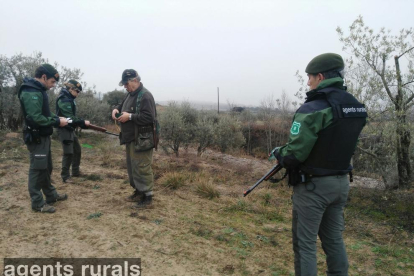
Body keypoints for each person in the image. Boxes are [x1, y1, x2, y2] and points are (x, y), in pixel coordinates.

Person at [270, 53, 367, 275]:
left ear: (320, 76)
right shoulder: (356, 108)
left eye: (310, 77)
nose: (308, 82)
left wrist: (279, 154)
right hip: (341, 184)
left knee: (305, 245)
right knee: (334, 241)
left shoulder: (313, 109)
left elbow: (294, 155)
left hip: (313, 187)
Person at [18, 64, 70, 213]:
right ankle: (37, 203)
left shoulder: (39, 90)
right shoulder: (30, 91)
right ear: (44, 77)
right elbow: (35, 118)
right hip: (36, 137)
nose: (53, 86)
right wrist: (56, 122)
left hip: (43, 135)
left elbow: (44, 113)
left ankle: (51, 194)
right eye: (52, 82)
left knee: (46, 167)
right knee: (37, 169)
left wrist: (56, 117)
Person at [111, 69, 158, 208]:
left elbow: (149, 117)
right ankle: (138, 191)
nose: (125, 86)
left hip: (142, 139)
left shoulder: (145, 96)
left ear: (135, 81)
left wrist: (129, 116)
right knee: (133, 167)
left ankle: (148, 197)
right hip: (131, 138)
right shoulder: (131, 94)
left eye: (126, 83)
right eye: (124, 84)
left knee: (142, 166)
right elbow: (122, 105)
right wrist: (116, 109)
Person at [55, 80, 90, 183]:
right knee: (68, 153)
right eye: (77, 91)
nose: (78, 94)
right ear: (70, 89)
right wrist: (82, 122)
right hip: (64, 129)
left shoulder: (69, 98)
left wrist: (81, 123)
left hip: (70, 128)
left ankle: (75, 172)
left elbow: (72, 117)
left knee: (77, 150)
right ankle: (65, 176)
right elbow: (69, 117)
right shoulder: (64, 99)